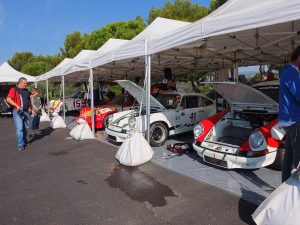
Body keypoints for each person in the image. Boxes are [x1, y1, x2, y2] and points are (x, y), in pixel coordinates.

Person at [279, 46, 300, 182]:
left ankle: (284, 187)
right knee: (298, 159)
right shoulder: (292, 72)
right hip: (295, 119)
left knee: (289, 156)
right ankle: (295, 193)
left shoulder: (286, 71)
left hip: (288, 120)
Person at [6, 77, 31, 151]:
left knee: (26, 128)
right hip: (17, 112)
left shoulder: (26, 91)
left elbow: (28, 101)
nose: (26, 84)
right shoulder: (14, 89)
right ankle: (20, 144)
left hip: (26, 112)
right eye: (25, 83)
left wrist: (31, 108)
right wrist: (17, 106)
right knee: (20, 129)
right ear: (20, 82)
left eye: (26, 83)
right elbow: (8, 99)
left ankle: (24, 140)